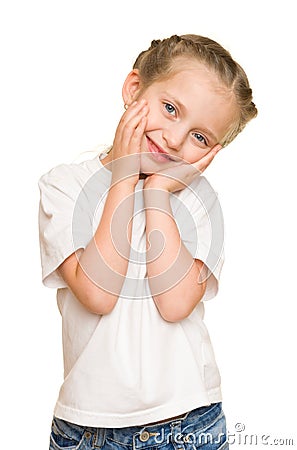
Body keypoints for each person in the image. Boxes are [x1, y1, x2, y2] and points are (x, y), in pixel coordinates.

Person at [38, 34, 257, 450]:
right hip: (88, 428)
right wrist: (124, 177)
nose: (174, 139)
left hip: (189, 422)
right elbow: (96, 293)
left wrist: (156, 194)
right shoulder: (65, 186)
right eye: (170, 109)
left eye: (201, 137)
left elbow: (174, 304)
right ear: (134, 89)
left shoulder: (199, 203)